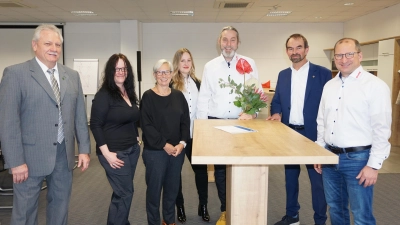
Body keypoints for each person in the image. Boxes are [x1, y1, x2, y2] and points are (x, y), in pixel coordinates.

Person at [0, 24, 90, 225]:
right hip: (28, 158)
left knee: (60, 207)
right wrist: (15, 162)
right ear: (34, 45)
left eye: (58, 44)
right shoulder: (16, 74)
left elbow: (79, 116)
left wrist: (83, 149)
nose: (54, 48)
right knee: (25, 213)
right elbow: (8, 123)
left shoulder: (71, 75)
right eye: (48, 43)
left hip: (63, 155)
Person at [314, 38, 391, 225]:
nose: (344, 59)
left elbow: (381, 128)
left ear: (360, 55)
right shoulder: (329, 86)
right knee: (336, 209)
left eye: (349, 54)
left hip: (358, 160)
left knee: (361, 214)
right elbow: (322, 121)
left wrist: (373, 165)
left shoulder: (375, 86)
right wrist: (319, 151)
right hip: (330, 157)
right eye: (339, 55)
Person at [196, 25, 259, 225]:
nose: (228, 44)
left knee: (244, 168)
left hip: (242, 125)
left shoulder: (249, 63)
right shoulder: (210, 66)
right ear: (219, 42)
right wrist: (201, 130)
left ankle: (244, 209)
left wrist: (252, 111)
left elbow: (256, 93)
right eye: (225, 40)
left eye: (232, 40)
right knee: (221, 172)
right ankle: (226, 210)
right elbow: (203, 99)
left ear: (238, 43)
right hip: (217, 124)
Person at [268, 34, 331, 225]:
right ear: (286, 51)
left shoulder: (323, 73)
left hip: (314, 135)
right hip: (289, 134)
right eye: (290, 48)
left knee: (317, 181)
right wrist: (277, 112)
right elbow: (277, 100)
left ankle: (320, 220)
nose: (294, 52)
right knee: (290, 178)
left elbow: (328, 105)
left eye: (298, 47)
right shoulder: (283, 74)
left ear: (306, 49)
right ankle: (292, 216)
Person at [90, 53, 140, 225]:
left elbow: (132, 117)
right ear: (111, 70)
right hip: (114, 152)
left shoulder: (127, 92)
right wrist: (107, 153)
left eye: (124, 68)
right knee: (125, 192)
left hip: (132, 150)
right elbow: (95, 124)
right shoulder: (104, 95)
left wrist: (136, 136)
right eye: (117, 68)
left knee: (121, 192)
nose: (121, 71)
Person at [140, 59, 190, 225]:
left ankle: (169, 221)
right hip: (155, 152)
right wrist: (165, 145)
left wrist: (182, 143)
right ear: (154, 75)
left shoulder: (178, 96)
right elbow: (146, 126)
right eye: (160, 72)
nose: (163, 75)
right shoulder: (148, 96)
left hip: (176, 152)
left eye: (166, 72)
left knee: (172, 190)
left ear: (171, 75)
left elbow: (185, 121)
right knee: (154, 192)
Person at [171, 48, 210, 223]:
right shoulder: (171, 85)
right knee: (175, 174)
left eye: (189, 60)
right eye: (182, 61)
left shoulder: (199, 83)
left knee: (201, 173)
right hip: (177, 138)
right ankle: (180, 207)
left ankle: (203, 206)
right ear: (177, 64)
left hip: (196, 135)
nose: (186, 64)